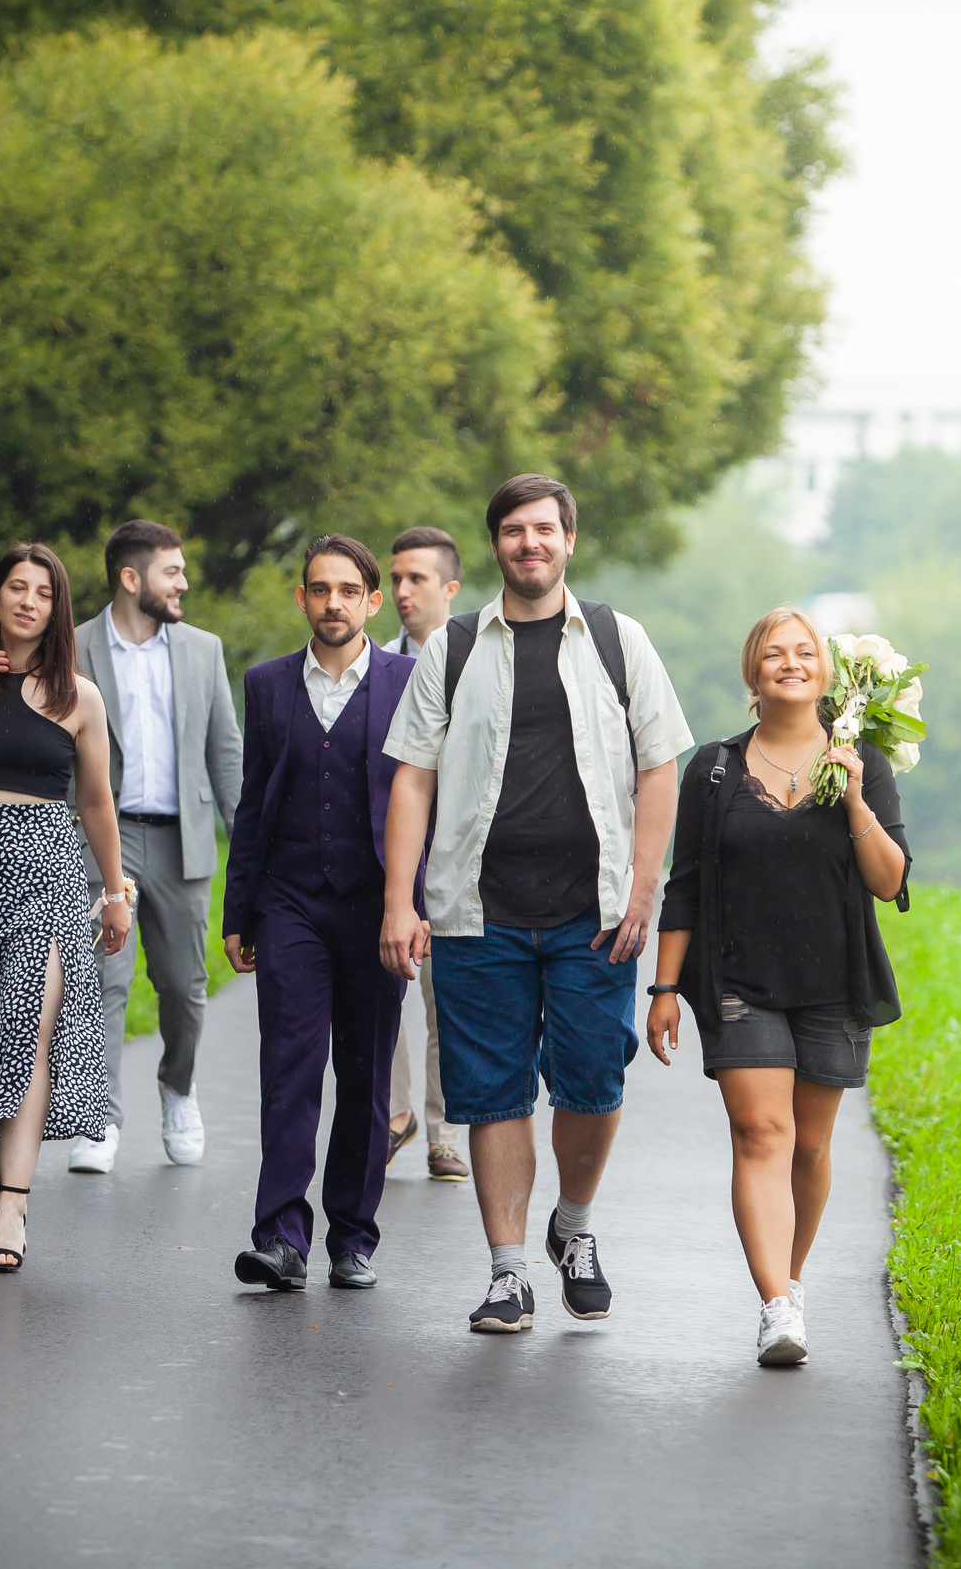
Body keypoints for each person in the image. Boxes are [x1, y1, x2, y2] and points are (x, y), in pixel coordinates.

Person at [380, 474, 691, 1334]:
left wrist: (645, 882)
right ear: (495, 546)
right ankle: (508, 1270)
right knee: (494, 1093)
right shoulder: (451, 649)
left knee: (593, 1082)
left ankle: (575, 1226)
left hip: (594, 911)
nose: (530, 543)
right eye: (514, 530)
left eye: (545, 529)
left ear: (569, 540)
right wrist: (399, 901)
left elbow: (661, 763)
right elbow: (411, 777)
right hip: (479, 910)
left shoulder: (618, 640)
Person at [647, 607, 910, 1366]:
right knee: (762, 1132)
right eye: (773, 653)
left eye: (803, 652)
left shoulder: (863, 760)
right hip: (739, 977)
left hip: (834, 976)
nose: (789, 662)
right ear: (752, 673)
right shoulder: (716, 768)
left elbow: (889, 880)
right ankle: (775, 1305)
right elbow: (685, 883)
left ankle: (791, 1280)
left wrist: (856, 796)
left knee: (812, 1145)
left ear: (827, 673)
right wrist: (665, 986)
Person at [0, 544, 136, 1272]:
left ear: (56, 606)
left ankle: (12, 1204)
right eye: (17, 586)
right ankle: (8, 1189)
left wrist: (114, 891)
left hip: (48, 870)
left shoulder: (80, 695)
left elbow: (97, 802)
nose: (30, 600)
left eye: (44, 591)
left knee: (25, 1027)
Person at [225, 536, 421, 1291]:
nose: (332, 602)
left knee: (366, 1076)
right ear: (302, 598)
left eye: (348, 590)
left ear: (372, 601)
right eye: (318, 589)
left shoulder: (411, 681)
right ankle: (280, 1235)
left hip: (379, 903)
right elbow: (254, 802)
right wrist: (239, 908)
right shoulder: (269, 685)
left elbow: (428, 801)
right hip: (290, 899)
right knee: (291, 1067)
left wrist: (416, 904)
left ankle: (353, 1235)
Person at [70, 520, 242, 1172]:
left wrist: (249, 855)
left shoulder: (203, 649)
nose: (185, 582)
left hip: (182, 841)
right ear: (131, 577)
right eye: (173, 571)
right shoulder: (77, 646)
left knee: (182, 984)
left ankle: (178, 1087)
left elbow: (225, 754)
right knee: (101, 981)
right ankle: (99, 1117)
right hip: (100, 838)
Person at [382, 526, 469, 1184]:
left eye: (416, 578)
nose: (402, 591)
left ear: (450, 588)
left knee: (447, 1000)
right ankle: (394, 1114)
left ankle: (443, 1133)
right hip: (391, 850)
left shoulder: (475, 662)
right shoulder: (377, 664)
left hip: (457, 856)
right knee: (386, 987)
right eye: (396, 578)